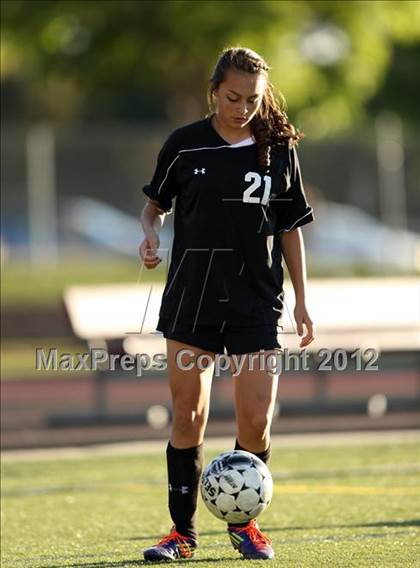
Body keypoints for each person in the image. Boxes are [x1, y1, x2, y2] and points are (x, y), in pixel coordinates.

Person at [139, 46, 315, 562]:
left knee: (255, 420)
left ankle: (245, 525)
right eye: (233, 97)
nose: (242, 108)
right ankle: (182, 535)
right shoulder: (184, 146)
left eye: (252, 99)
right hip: (192, 300)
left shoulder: (277, 147)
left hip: (256, 303)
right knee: (188, 416)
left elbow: (290, 229)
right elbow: (154, 207)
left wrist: (303, 301)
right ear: (214, 90)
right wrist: (149, 235)